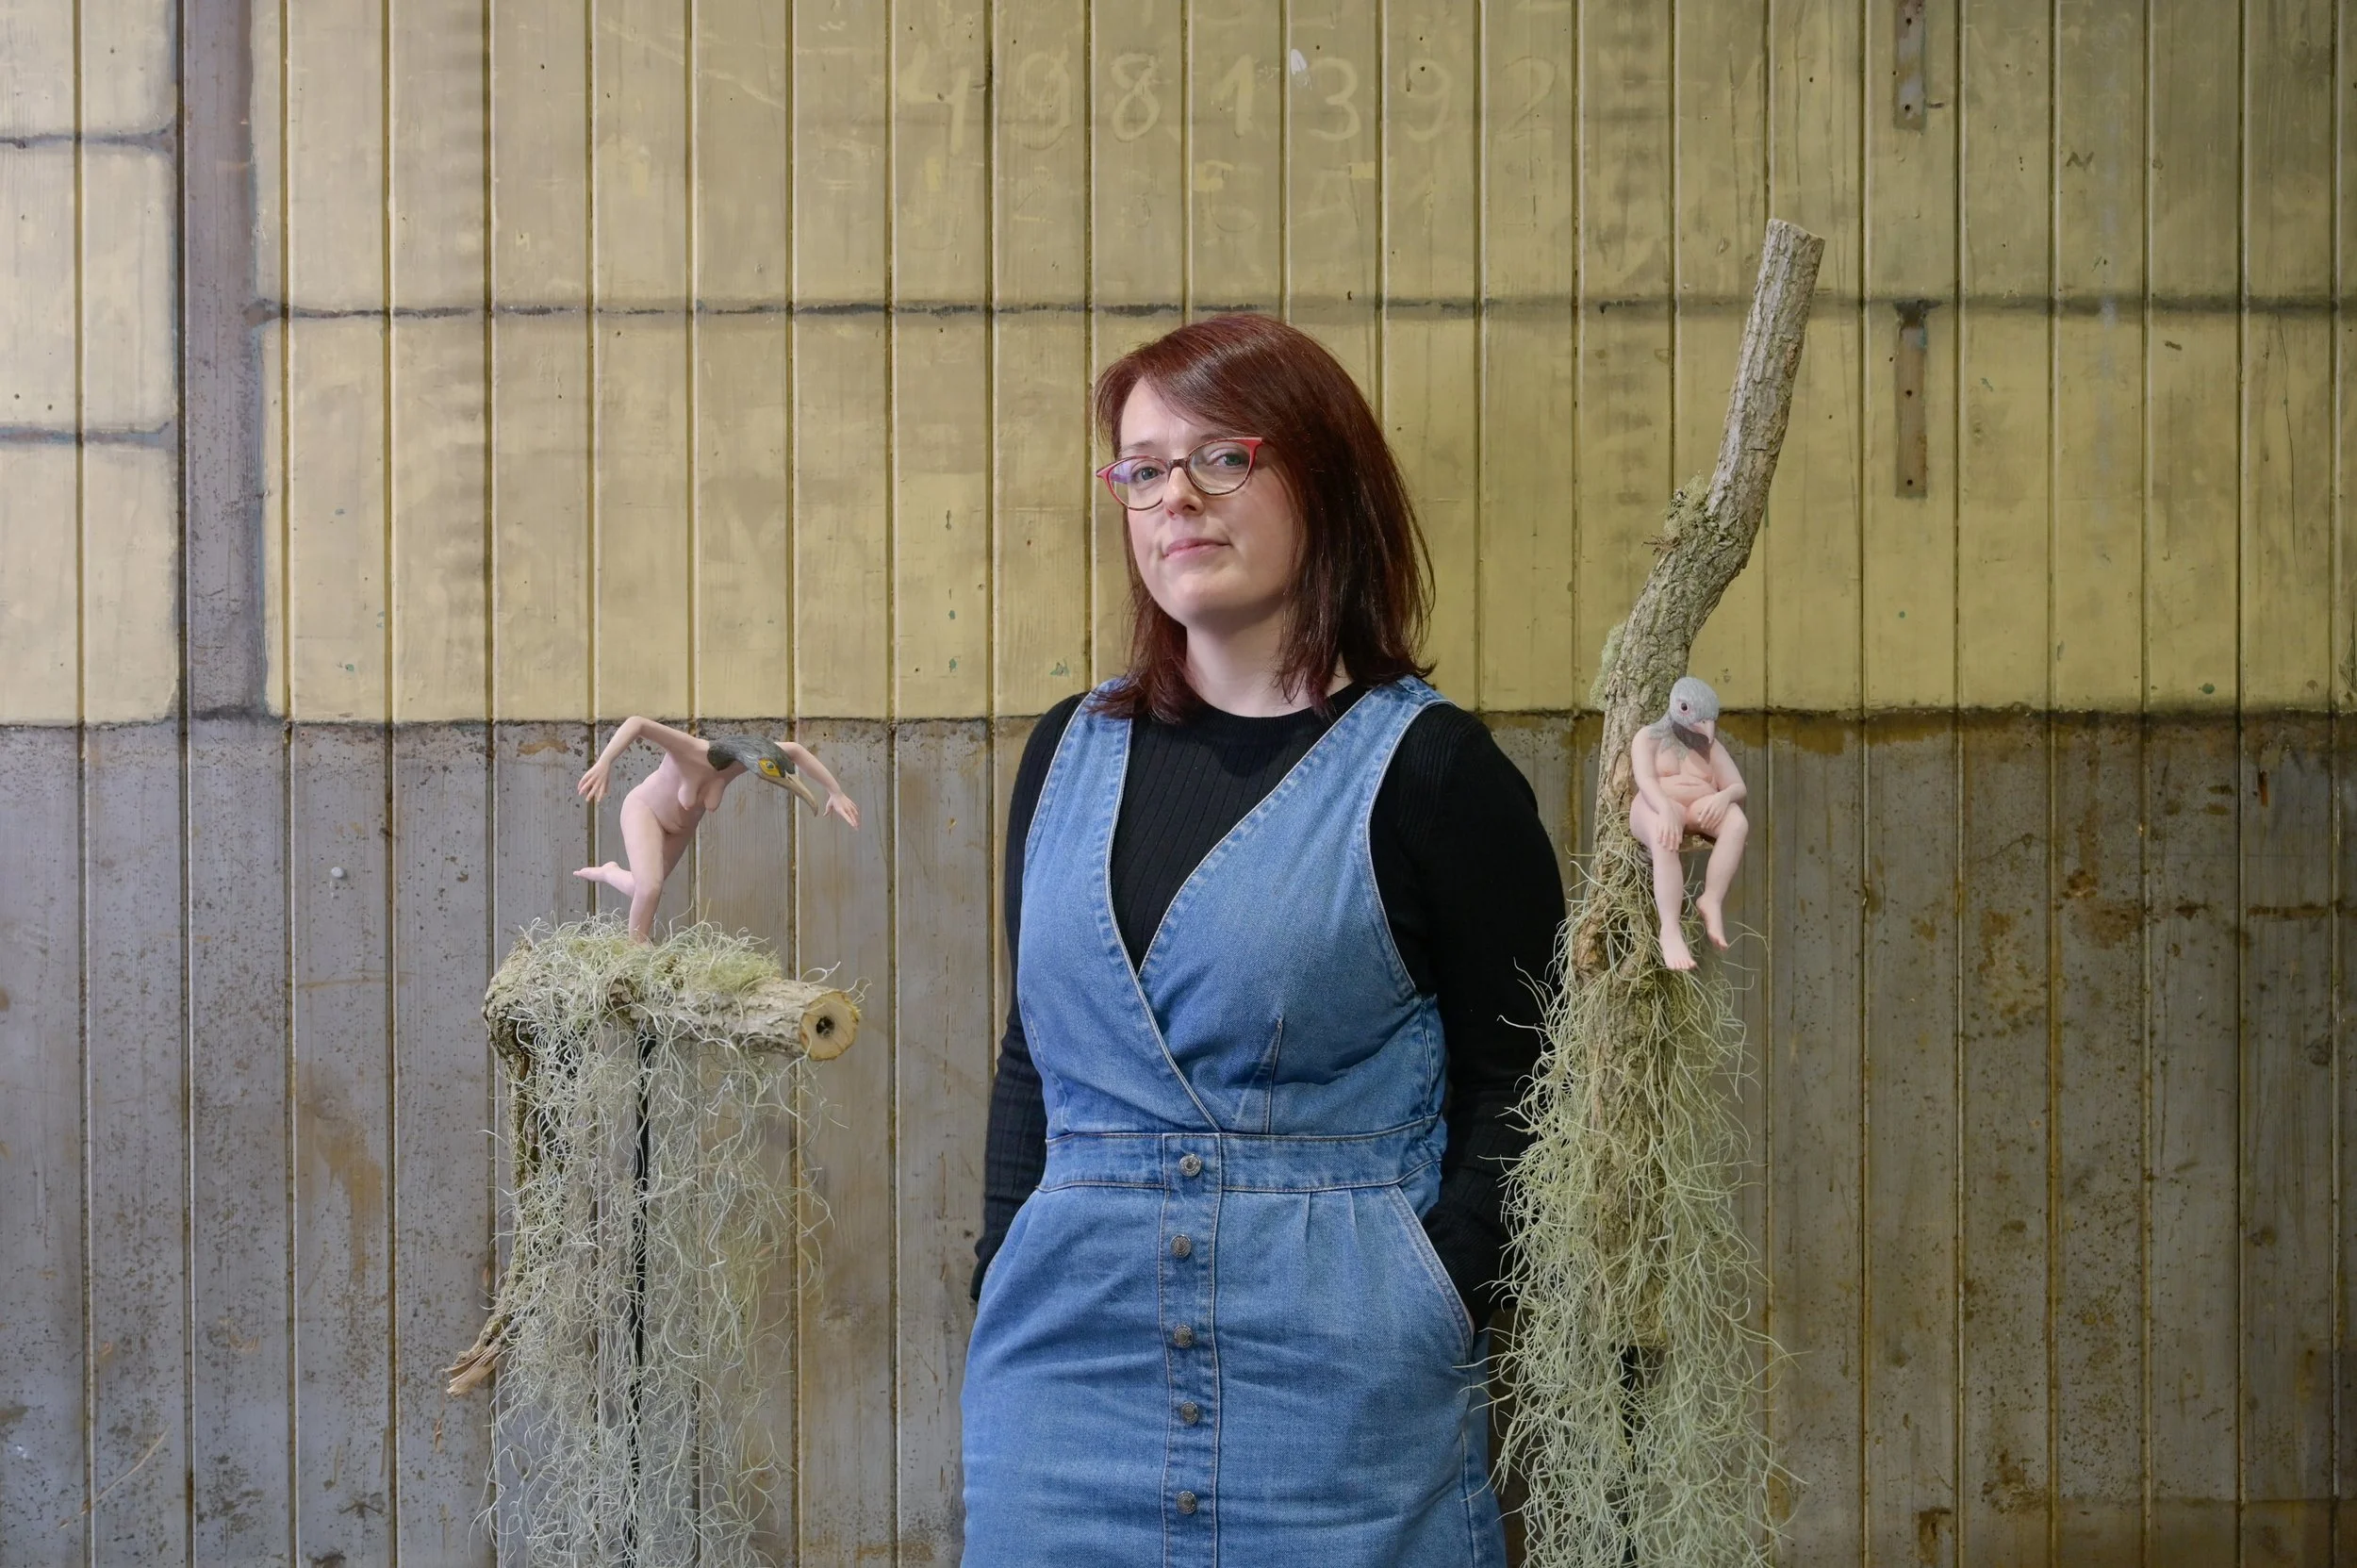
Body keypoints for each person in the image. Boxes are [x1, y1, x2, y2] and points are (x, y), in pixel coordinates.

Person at [961, 314, 1563, 1566]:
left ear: (1327, 478)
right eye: (1141, 467)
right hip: (1063, 1377)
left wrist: (1438, 1292)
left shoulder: (1436, 775)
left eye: (1221, 457)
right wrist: (1003, 1260)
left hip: (1345, 1393)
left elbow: (1528, 1080)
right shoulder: (1064, 754)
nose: (1175, 495)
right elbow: (1039, 1055)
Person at [573, 717, 860, 942]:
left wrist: (835, 792)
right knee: (649, 888)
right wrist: (605, 761)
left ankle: (609, 872)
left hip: (681, 828)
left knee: (642, 887)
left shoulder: (740, 762)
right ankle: (634, 949)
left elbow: (795, 751)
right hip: (645, 812)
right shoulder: (693, 749)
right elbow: (639, 723)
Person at [1626, 675, 1748, 970]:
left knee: (1737, 822)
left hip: (1699, 807)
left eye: (1709, 721)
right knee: (1662, 836)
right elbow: (1645, 780)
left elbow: (1737, 786)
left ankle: (1712, 899)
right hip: (1657, 805)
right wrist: (1665, 808)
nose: (1704, 727)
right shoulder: (1648, 738)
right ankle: (1670, 928)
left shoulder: (1710, 746)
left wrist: (1722, 798)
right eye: (1694, 716)